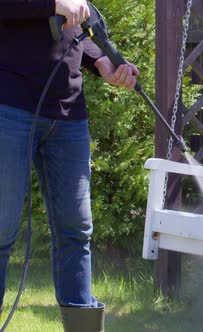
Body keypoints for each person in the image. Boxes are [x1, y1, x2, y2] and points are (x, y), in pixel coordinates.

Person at [0, 0, 138, 330]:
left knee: (76, 230)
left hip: (68, 112)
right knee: (2, 228)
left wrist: (101, 62)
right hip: (9, 104)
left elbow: (76, 24)